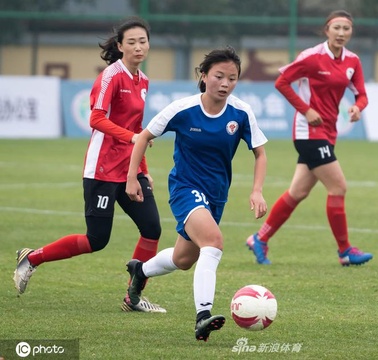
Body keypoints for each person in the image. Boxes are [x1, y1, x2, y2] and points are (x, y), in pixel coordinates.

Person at [13, 17, 166, 313]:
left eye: (143, 41)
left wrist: (143, 169)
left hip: (129, 171)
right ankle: (31, 258)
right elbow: (96, 119)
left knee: (152, 228)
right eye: (131, 42)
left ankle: (133, 297)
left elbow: (137, 129)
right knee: (97, 240)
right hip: (102, 169)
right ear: (120, 46)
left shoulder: (143, 81)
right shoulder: (111, 75)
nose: (138, 47)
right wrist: (135, 138)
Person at [124, 46, 268, 342]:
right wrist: (132, 178)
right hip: (185, 189)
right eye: (219, 76)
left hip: (216, 195)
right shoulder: (183, 108)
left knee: (184, 258)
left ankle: (140, 271)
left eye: (232, 78)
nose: (225, 83)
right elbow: (144, 137)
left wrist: (257, 190)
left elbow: (260, 153)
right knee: (213, 242)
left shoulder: (241, 112)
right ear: (204, 76)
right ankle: (203, 316)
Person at [245, 10, 373, 266]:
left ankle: (259, 238)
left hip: (329, 131)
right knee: (338, 187)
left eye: (346, 29)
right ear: (326, 30)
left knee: (298, 191)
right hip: (308, 132)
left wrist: (358, 108)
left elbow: (361, 94)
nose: (341, 33)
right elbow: (281, 82)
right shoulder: (312, 57)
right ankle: (345, 251)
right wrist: (306, 109)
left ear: (351, 33)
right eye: (336, 28)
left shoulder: (353, 61)